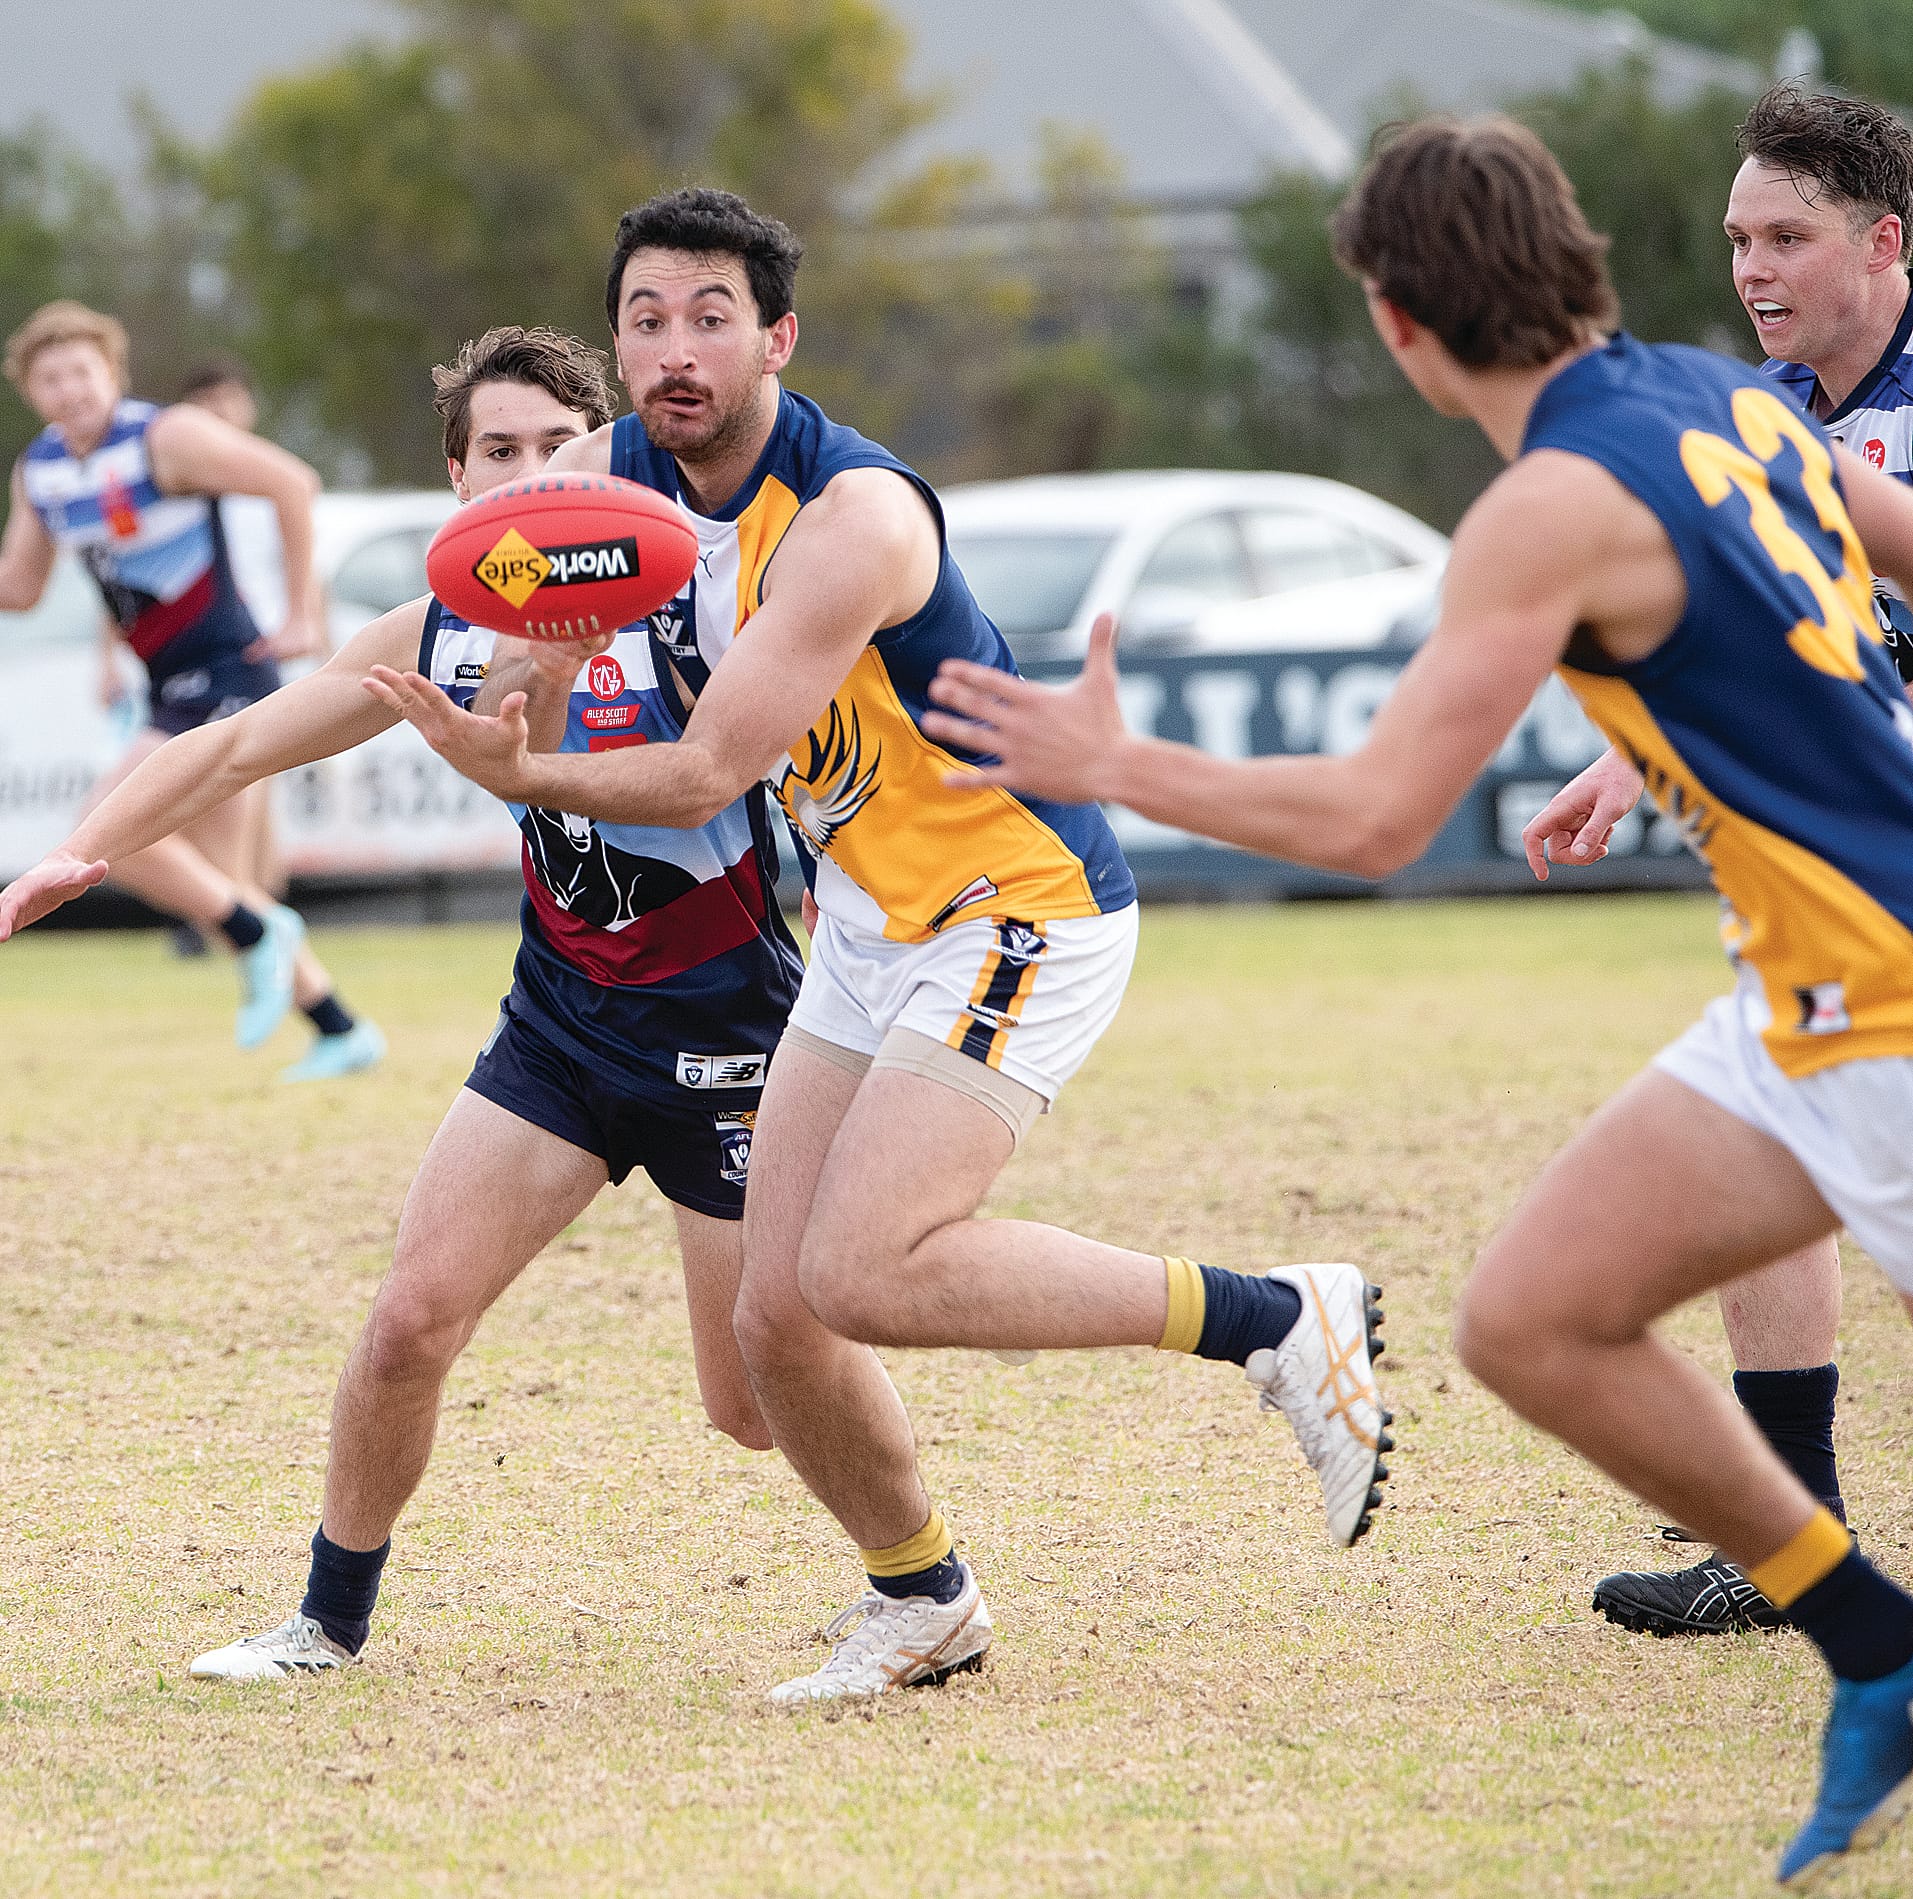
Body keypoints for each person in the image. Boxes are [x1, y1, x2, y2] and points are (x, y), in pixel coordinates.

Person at [919, 116, 1913, 1889]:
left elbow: (1377, 815)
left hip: (1894, 1005)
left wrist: (1112, 756)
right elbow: (1846, 567)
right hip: (1801, 1005)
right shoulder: (1722, 392)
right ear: (1575, 248)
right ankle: (1871, 1637)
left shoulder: (1540, 506)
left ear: (1396, 325)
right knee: (1532, 1314)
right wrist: (1670, 744)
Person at [367, 188, 1392, 1707]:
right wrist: (518, 674)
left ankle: (1274, 1314)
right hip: (864, 919)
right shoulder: (613, 476)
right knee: (774, 1322)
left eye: (711, 315)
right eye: (643, 319)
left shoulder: (855, 517)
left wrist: (524, 774)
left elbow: (710, 767)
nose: (674, 349)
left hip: (1012, 902)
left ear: (778, 337)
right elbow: (526, 617)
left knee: (862, 1267)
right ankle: (925, 1596)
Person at [0, 323, 801, 1680]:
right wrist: (81, 847)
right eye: (500, 449)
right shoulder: (440, 627)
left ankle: (922, 1575)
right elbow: (237, 738)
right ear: (458, 481)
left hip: (724, 1036)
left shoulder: (707, 615)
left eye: (560, 445)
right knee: (409, 1320)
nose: (533, 472)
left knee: (756, 1402)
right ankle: (326, 1619)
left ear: (609, 466)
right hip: (557, 1030)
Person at [1519, 84, 1913, 1640]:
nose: (1754, 267)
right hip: (1839, 875)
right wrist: (1624, 758)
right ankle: (1782, 1530)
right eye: (1739, 236)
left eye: (1790, 237)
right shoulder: (1775, 410)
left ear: (1885, 241)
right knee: (1796, 1154)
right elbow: (1781, 633)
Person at [0, 301, 379, 1080]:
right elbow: (22, 586)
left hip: (231, 669)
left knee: (100, 839)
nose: (68, 389)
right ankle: (339, 1026)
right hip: (167, 686)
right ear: (28, 390)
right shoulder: (40, 470)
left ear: (114, 372)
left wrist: (303, 611)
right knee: (223, 886)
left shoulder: (164, 436)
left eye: (82, 371)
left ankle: (258, 937)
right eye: (49, 377)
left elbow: (291, 481)